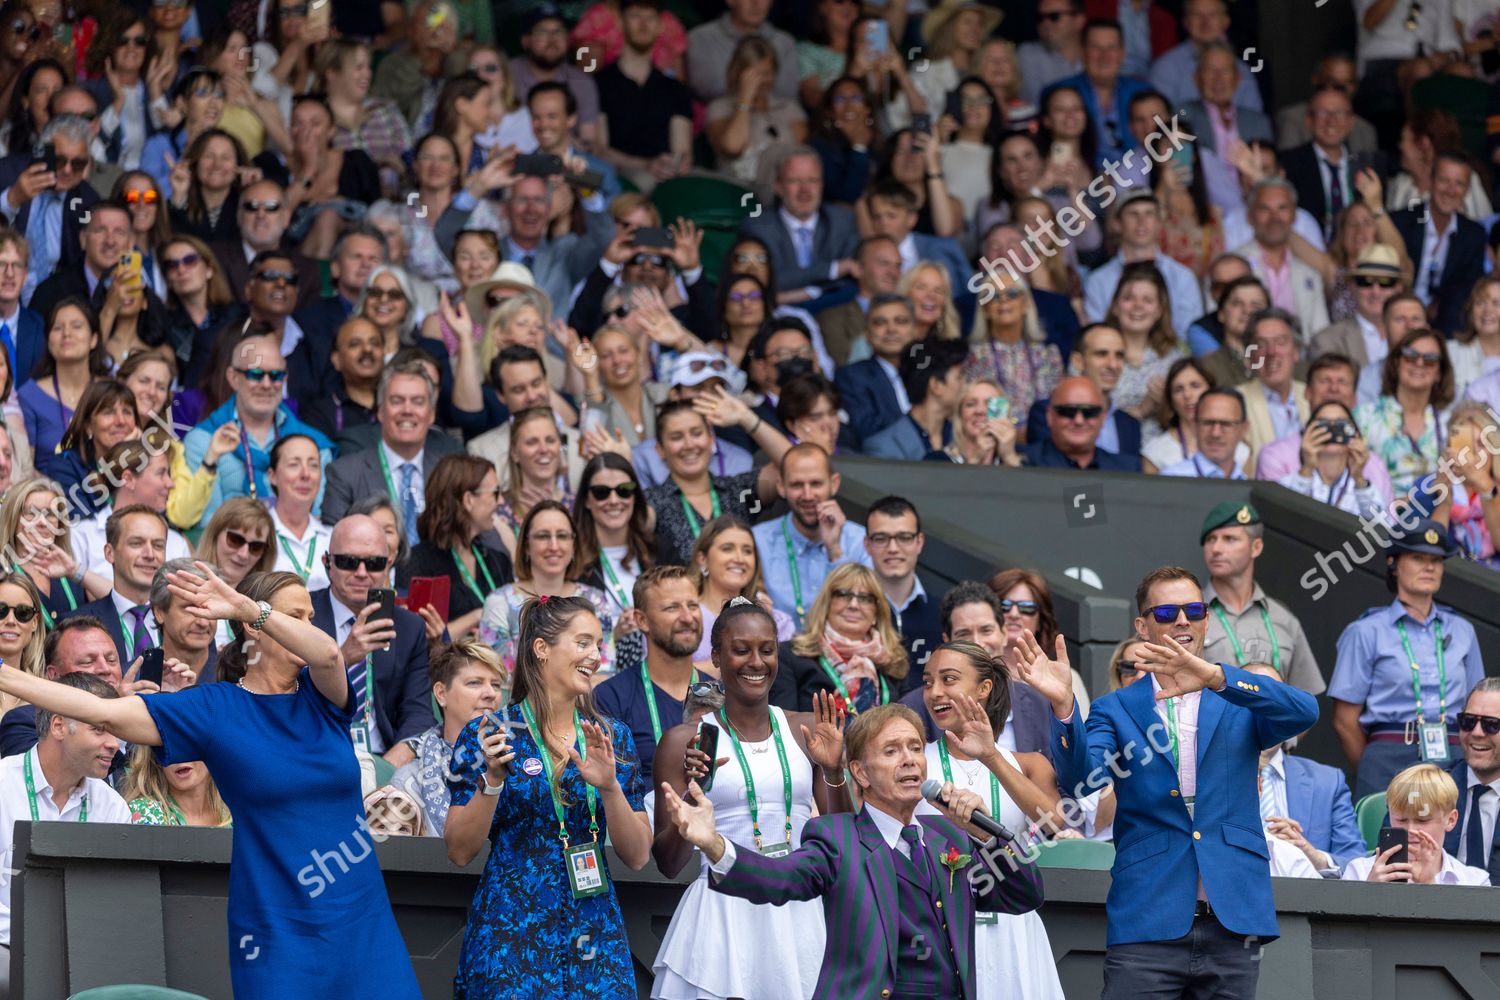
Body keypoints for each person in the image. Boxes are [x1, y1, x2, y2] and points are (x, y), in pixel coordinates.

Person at [0, 564, 424, 995]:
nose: (307, 627)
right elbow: (105, 712)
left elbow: (330, 654)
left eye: (310, 617)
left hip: (362, 920)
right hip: (276, 931)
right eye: (294, 616)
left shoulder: (323, 696)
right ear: (252, 630)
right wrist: (6, 676)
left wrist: (246, 606)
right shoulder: (216, 709)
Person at [1015, 564, 1318, 999]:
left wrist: (1217, 678)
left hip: (1233, 919)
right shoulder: (1114, 708)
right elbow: (1082, 781)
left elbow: (1303, 712)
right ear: (1142, 626)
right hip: (1148, 917)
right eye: (1167, 613)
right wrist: (1065, 708)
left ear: (1207, 619)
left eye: (1194, 610)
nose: (1182, 621)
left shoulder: (1233, 695)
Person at [659, 700, 1044, 1000]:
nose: (909, 758)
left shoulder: (949, 837)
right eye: (891, 751)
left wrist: (985, 831)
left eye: (914, 747)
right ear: (860, 772)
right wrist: (714, 844)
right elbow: (778, 879)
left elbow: (1025, 893)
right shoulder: (836, 838)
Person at [443, 594, 652, 999]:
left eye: (598, 643)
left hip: (595, 934)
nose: (596, 655)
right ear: (541, 649)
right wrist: (492, 780)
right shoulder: (489, 733)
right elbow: (459, 850)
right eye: (583, 642)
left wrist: (610, 788)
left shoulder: (612, 736)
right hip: (512, 934)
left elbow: (638, 855)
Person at [651, 597, 850, 999]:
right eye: (741, 650)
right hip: (722, 917)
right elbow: (669, 864)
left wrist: (833, 771)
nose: (756, 662)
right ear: (717, 658)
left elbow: (844, 841)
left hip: (799, 907)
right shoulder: (681, 741)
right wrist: (695, 793)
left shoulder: (806, 729)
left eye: (767, 650)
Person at [917, 642, 1066, 1000]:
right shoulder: (915, 762)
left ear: (984, 688)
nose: (935, 692)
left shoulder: (1027, 762)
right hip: (943, 926)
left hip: (1012, 924)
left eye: (949, 679)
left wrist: (991, 757)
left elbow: (1054, 825)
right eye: (927, 682)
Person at [1329, 516, 1486, 798]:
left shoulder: (1463, 630)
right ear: (1394, 564)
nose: (1429, 567)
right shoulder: (1365, 631)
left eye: (1436, 560)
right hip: (1388, 752)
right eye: (1418, 557)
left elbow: (1479, 708)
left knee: (1454, 840)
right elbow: (1344, 721)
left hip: (1453, 751)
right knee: (1386, 840)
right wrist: (1371, 766)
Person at [0, 671, 133, 987]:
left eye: (115, 731)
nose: (114, 744)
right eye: (99, 729)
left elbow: (113, 902)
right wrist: (37, 938)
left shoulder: (112, 807)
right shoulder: (3, 785)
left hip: (83, 953)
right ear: (59, 726)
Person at [309, 513, 433, 761]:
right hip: (316, 754)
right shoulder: (303, 615)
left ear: (388, 565)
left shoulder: (409, 627)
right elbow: (287, 694)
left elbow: (418, 715)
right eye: (348, 561)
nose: (362, 572)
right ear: (327, 563)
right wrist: (342, 657)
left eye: (374, 563)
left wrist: (385, 771)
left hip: (385, 759)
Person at [182, 324, 333, 523]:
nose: (266, 385)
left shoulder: (316, 446)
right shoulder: (203, 441)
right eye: (255, 374)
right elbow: (208, 523)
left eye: (276, 376)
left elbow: (319, 521)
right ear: (233, 378)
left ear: (285, 379)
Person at [593, 565, 708, 784]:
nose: (687, 617)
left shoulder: (722, 693)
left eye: (692, 605)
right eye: (672, 608)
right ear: (642, 620)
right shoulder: (611, 697)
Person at [478, 500, 617, 679]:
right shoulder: (499, 603)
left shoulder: (595, 602)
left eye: (562, 536)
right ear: (526, 546)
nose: (553, 546)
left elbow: (603, 674)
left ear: (573, 545)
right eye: (543, 536)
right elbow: (497, 681)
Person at [1196, 502, 1324, 694]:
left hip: (1273, 724)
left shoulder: (1283, 619)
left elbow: (1305, 702)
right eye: (1211, 539)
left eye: (1229, 539)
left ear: (1256, 547)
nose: (1216, 548)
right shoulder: (1189, 615)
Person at [320, 361, 461, 534]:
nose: (407, 410)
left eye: (417, 401)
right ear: (380, 411)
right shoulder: (345, 473)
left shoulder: (450, 475)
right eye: (397, 401)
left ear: (431, 414)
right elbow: (334, 544)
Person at [643, 397, 784, 566]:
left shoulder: (739, 491)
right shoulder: (652, 502)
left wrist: (747, 418)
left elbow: (793, 467)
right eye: (676, 437)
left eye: (696, 433)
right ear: (660, 449)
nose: (689, 445)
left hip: (741, 593)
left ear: (711, 439)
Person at [387, 638, 504, 835]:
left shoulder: (519, 766)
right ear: (441, 693)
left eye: (496, 685)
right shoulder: (411, 780)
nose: (490, 693)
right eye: (474, 683)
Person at [751, 443, 870, 626]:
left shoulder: (861, 541)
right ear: (781, 487)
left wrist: (835, 549)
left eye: (816, 484)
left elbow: (865, 610)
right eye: (797, 485)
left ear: (834, 484)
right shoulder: (758, 541)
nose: (807, 495)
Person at [398, 454, 513, 640]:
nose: (501, 502)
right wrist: (477, 616)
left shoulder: (497, 561)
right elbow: (415, 639)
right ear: (468, 500)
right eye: (495, 492)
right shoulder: (416, 564)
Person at [771, 562, 908, 714]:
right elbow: (783, 724)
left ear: (876, 613)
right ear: (827, 604)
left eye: (865, 598)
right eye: (844, 595)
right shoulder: (790, 655)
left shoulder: (892, 663)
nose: (854, 605)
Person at [736, 147, 858, 301]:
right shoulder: (757, 228)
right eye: (794, 181)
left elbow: (851, 283)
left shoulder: (842, 221)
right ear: (778, 187)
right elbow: (764, 282)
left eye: (812, 180)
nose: (805, 189)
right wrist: (832, 269)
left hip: (832, 313)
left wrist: (793, 295)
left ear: (822, 185)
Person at [1082, 189, 1203, 339]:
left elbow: (1189, 333)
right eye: (1133, 214)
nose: (1141, 221)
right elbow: (1097, 335)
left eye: (1149, 214)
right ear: (1118, 224)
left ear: (1159, 223)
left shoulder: (1183, 277)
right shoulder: (1098, 280)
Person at [1390, 153, 1488, 337]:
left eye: (1459, 184)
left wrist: (1440, 304)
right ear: (1431, 181)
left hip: (1445, 321)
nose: (1450, 190)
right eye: (1444, 181)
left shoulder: (1472, 233)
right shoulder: (1403, 221)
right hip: (1399, 310)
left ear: (1467, 190)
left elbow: (1468, 285)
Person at [1344, 763, 1491, 885]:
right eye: (1401, 820)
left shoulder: (1475, 881)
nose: (1410, 830)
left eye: (1422, 820)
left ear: (1451, 820)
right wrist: (1368, 894)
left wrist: (1428, 886)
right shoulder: (1359, 871)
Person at [60, 505, 169, 667]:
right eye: (136, 543)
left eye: (158, 545)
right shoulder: (74, 626)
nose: (150, 554)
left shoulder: (181, 619)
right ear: (109, 553)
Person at [1354, 327, 1455, 500]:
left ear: (1439, 373)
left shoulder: (1451, 424)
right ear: (1396, 362)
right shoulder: (1364, 416)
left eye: (1430, 359)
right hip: (1374, 519)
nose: (1419, 363)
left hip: (1435, 521)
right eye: (1410, 355)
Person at [1232, 178, 1331, 337]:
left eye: (1282, 208)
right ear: (1250, 216)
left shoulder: (1310, 273)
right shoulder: (1233, 266)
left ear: (1294, 216)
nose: (1274, 218)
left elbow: (1322, 335)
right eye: (1265, 209)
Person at [690, 514, 795, 661]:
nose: (740, 559)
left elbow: (787, 676)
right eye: (727, 549)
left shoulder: (777, 621)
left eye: (747, 551)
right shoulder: (686, 618)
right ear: (703, 559)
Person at [863, 496, 941, 687]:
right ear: (867, 544)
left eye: (904, 537)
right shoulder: (851, 612)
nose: (893, 548)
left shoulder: (943, 613)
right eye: (881, 538)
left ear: (919, 542)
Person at [835, 294, 918, 445]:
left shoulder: (930, 372)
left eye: (900, 321)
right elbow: (867, 431)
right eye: (880, 323)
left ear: (915, 330)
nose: (891, 329)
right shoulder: (851, 377)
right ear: (867, 334)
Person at [1025, 376, 1143, 471]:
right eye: (1068, 411)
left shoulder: (1127, 469)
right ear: (1050, 416)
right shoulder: (1023, 461)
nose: (1079, 421)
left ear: (1102, 418)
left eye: (1090, 412)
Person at [266, 434, 332, 592]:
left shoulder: (332, 536)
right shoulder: (256, 534)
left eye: (314, 465)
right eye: (294, 464)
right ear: (273, 476)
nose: (305, 474)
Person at [149, 558, 221, 685]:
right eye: (190, 608)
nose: (203, 622)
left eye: (208, 607)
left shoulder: (237, 675)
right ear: (159, 612)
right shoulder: (133, 678)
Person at [124, 744, 232, 827]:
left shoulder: (237, 812)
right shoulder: (145, 811)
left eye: (188, 742)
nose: (180, 756)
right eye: (169, 745)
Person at [1158, 386, 1249, 479]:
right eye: (1208, 423)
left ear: (1244, 429)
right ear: (1195, 425)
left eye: (1226, 424)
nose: (1215, 433)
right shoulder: (1172, 479)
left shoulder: (1251, 485)